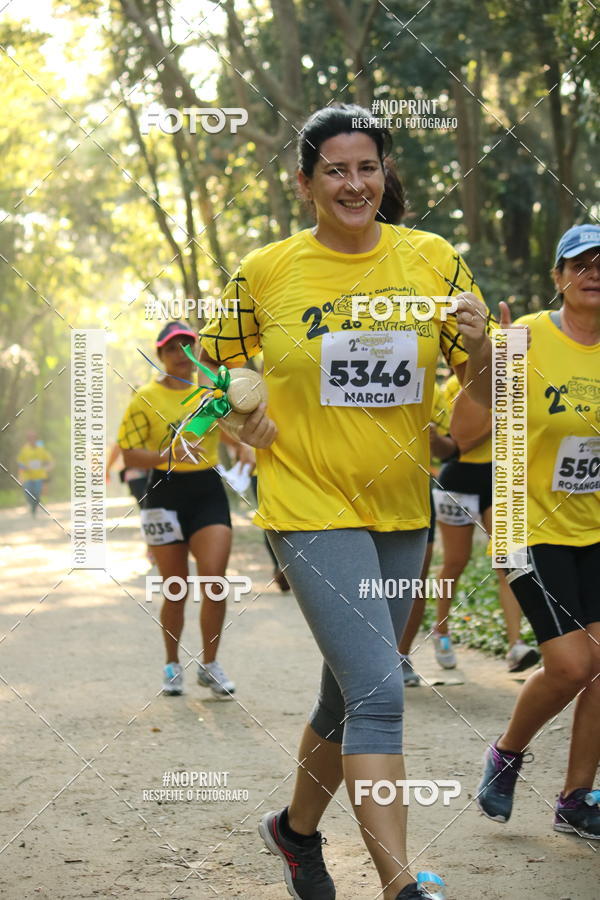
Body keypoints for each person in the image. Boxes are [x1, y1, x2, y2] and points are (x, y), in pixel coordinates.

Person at [199, 104, 498, 900]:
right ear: (305, 183)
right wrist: (239, 411)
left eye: (367, 167)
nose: (354, 183)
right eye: (335, 169)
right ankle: (400, 883)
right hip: (306, 503)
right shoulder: (267, 271)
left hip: (402, 506)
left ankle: (293, 833)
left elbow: (476, 416)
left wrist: (483, 351)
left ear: (385, 174)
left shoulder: (435, 260)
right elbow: (211, 374)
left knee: (345, 689)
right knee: (377, 687)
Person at [475, 224, 600, 839]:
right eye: (581, 263)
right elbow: (469, 421)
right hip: (527, 524)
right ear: (558, 277)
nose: (595, 272)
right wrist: (490, 363)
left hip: (595, 528)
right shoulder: (522, 338)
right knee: (574, 665)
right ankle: (506, 753)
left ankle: (576, 800)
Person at [118, 320, 252, 698]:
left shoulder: (207, 395)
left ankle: (209, 665)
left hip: (207, 488)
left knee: (214, 577)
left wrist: (243, 447)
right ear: (160, 355)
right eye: (172, 349)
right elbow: (129, 453)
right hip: (164, 491)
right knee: (175, 589)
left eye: (188, 347)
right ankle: (172, 664)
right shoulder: (144, 397)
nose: (181, 356)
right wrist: (167, 453)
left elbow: (224, 429)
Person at [430, 374, 540, 673]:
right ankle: (441, 632)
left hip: (500, 478)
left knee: (509, 562)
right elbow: (458, 442)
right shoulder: (454, 385)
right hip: (458, 479)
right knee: (455, 562)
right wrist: (498, 420)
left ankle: (516, 645)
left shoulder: (520, 381)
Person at [398, 381, 458, 686]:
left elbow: (450, 448)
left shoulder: (430, 386)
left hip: (413, 491)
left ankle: (401, 655)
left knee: (414, 578)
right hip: (351, 493)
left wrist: (435, 440)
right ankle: (366, 656)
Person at [17, 431, 53, 516]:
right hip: (27, 476)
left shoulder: (41, 449)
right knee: (28, 494)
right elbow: (20, 463)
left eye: (34, 438)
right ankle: (33, 505)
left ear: (36, 439)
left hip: (39, 476)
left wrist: (48, 467)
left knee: (37, 492)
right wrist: (20, 475)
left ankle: (34, 507)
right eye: (30, 439)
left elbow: (49, 461)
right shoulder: (24, 450)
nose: (32, 440)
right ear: (28, 440)